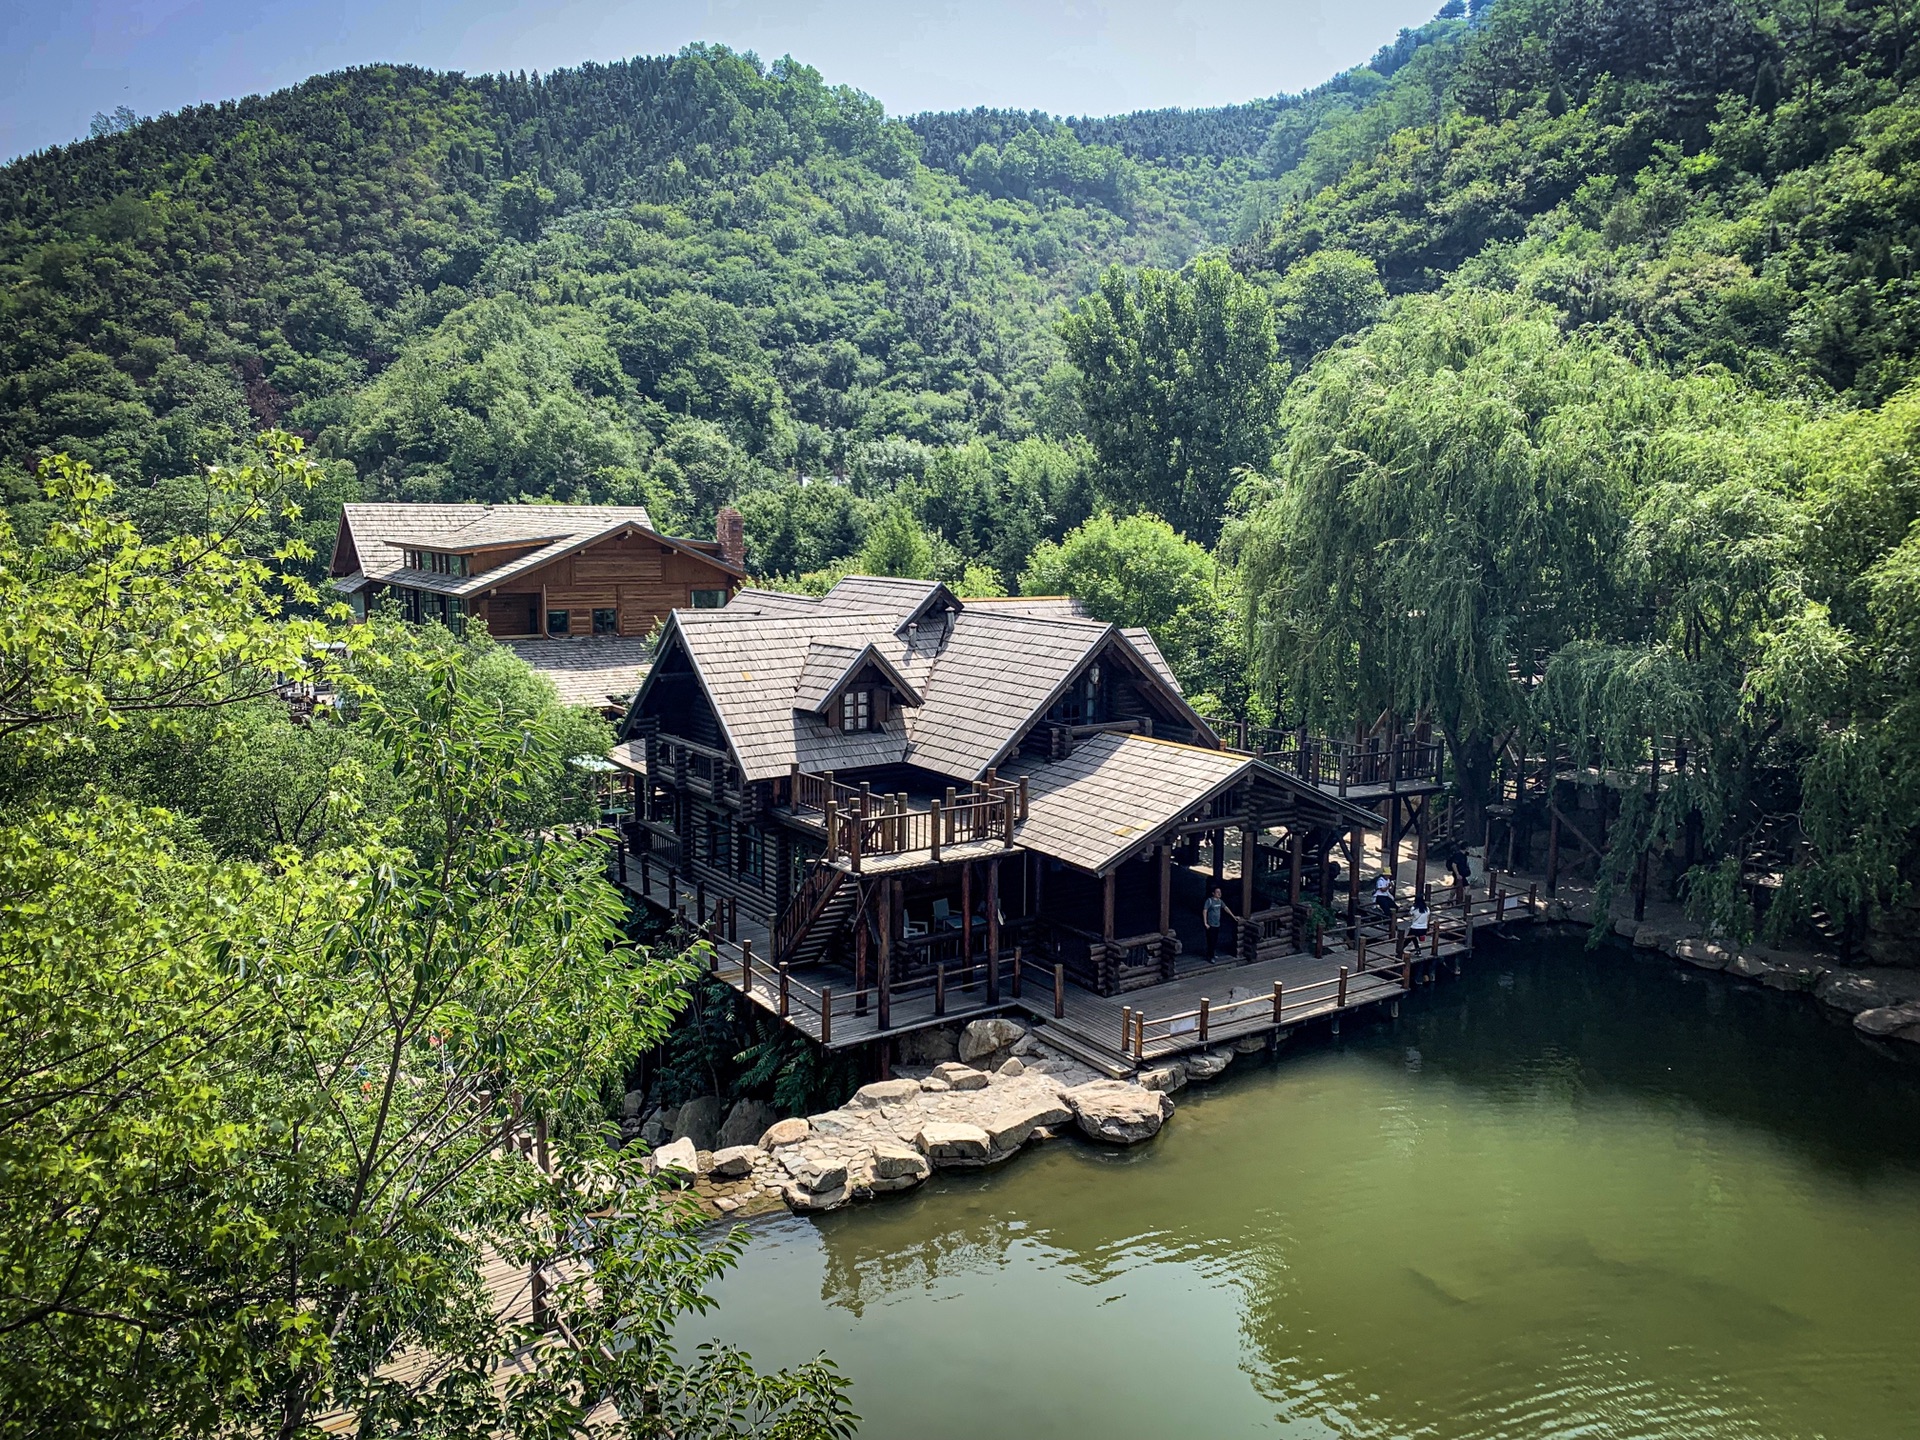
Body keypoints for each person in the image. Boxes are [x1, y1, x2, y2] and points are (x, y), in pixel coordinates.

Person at [1203, 885, 1236, 961]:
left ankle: (1212, 953)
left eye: (1220, 892)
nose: (1219, 893)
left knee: (1215, 939)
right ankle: (1211, 956)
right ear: (1213, 893)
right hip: (1210, 924)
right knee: (1210, 940)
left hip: (1217, 924)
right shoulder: (1209, 901)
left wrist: (1233, 916)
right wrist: (1205, 923)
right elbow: (1205, 911)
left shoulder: (1220, 901)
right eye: (1217, 892)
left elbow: (1226, 908)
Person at [1399, 891, 1431, 957]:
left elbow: (1410, 914)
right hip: (1423, 928)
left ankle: (1400, 950)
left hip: (1415, 927)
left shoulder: (1414, 909)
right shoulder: (1427, 909)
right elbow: (1428, 917)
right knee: (1413, 937)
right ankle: (1418, 950)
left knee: (1408, 939)